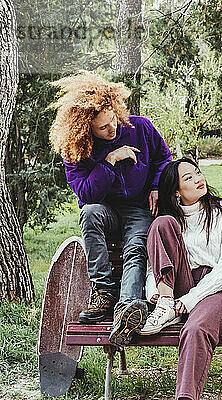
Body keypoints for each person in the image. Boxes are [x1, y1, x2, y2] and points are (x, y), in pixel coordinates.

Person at [49, 71, 172, 345]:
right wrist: (109, 161)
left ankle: (127, 307)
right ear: (85, 127)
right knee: (89, 213)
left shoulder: (140, 128)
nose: (112, 129)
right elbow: (87, 193)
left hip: (139, 208)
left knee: (137, 244)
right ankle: (104, 293)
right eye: (103, 127)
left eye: (112, 120)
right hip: (104, 210)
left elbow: (164, 158)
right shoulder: (76, 150)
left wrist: (154, 186)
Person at [140, 158, 222, 400]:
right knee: (161, 223)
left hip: (217, 289)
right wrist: (155, 293)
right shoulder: (170, 219)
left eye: (197, 172)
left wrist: (191, 299)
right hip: (177, 287)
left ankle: (185, 397)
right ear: (176, 191)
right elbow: (152, 266)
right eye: (188, 177)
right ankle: (165, 306)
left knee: (195, 328)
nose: (198, 179)